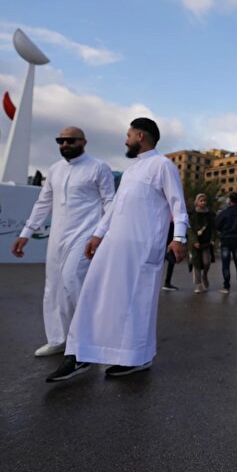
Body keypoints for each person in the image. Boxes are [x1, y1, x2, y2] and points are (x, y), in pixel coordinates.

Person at [46, 117, 188, 382]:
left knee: (137, 303)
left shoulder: (163, 165)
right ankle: (81, 354)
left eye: (128, 135)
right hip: (113, 245)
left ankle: (138, 358)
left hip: (143, 248)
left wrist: (179, 237)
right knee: (93, 294)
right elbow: (114, 207)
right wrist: (98, 234)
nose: (125, 140)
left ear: (141, 136)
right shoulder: (132, 169)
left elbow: (177, 204)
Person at [11, 126, 115, 357]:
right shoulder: (55, 169)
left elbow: (110, 202)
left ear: (84, 142)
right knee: (53, 288)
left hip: (84, 236)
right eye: (61, 141)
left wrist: (101, 234)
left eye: (70, 140)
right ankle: (58, 339)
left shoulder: (99, 167)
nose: (65, 145)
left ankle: (87, 339)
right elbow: (43, 203)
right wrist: (26, 233)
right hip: (57, 237)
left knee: (72, 284)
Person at [215, 192, 237, 294]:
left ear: (229, 200)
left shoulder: (225, 213)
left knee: (226, 265)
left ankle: (226, 286)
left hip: (226, 240)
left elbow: (217, 224)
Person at [188, 193, 216, 293]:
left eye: (205, 201)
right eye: (201, 201)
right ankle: (198, 284)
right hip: (195, 244)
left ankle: (205, 276)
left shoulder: (210, 214)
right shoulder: (192, 214)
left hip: (206, 243)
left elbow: (213, 228)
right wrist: (194, 241)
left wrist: (212, 239)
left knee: (206, 262)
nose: (203, 202)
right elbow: (189, 228)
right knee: (196, 263)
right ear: (197, 202)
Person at [161, 221, 180, 291]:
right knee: (161, 261)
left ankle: (167, 283)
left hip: (171, 233)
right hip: (167, 232)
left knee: (171, 260)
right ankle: (166, 283)